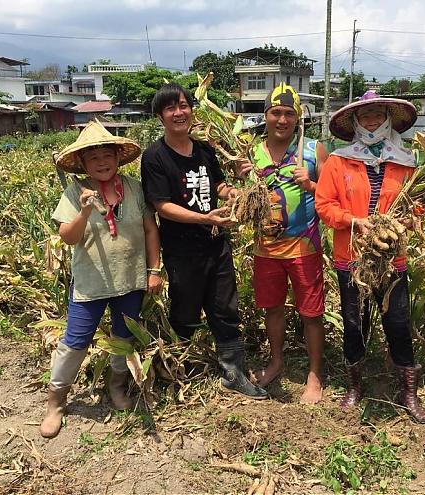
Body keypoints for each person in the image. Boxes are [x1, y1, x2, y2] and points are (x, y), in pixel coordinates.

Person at [140, 83, 267, 399]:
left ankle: (233, 372)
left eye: (183, 105)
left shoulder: (205, 150)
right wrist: (204, 218)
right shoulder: (155, 157)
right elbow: (162, 206)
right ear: (160, 116)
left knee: (225, 308)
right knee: (185, 309)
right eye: (170, 108)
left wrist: (235, 192)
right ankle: (179, 367)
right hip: (182, 250)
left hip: (216, 243)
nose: (179, 112)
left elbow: (218, 185)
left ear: (192, 111)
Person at [40, 120, 163, 438]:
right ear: (82, 163)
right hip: (90, 283)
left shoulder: (133, 188)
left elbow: (151, 229)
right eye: (92, 157)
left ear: (118, 157)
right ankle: (55, 402)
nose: (101, 161)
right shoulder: (74, 192)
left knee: (123, 339)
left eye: (106, 154)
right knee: (75, 342)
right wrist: (82, 211)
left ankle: (117, 387)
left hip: (130, 280)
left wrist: (153, 270)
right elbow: (67, 238)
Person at [315, 90, 425, 423]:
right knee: (355, 324)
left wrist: (407, 218)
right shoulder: (339, 161)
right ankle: (355, 388)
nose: (371, 121)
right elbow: (325, 205)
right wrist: (355, 222)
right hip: (352, 259)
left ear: (388, 118)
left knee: (397, 323)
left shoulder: (405, 161)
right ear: (354, 122)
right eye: (364, 116)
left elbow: (418, 202)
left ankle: (408, 393)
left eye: (377, 115)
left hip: (392, 259)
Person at [249, 83, 328, 404]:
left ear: (298, 118)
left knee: (311, 313)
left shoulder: (313, 150)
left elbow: (331, 197)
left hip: (304, 248)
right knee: (273, 309)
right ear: (265, 115)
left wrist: (310, 184)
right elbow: (242, 198)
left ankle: (314, 373)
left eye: (289, 114)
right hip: (265, 249)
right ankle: (277, 360)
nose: (282, 120)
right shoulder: (251, 153)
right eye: (276, 113)